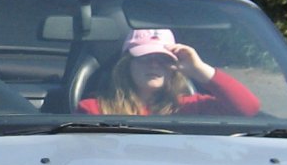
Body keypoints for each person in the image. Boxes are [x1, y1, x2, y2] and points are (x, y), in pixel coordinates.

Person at [76, 28, 260, 117]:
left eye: (163, 59)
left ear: (174, 67)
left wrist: (199, 69)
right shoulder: (95, 109)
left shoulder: (191, 107)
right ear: (126, 65)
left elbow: (248, 108)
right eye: (145, 57)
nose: (154, 65)